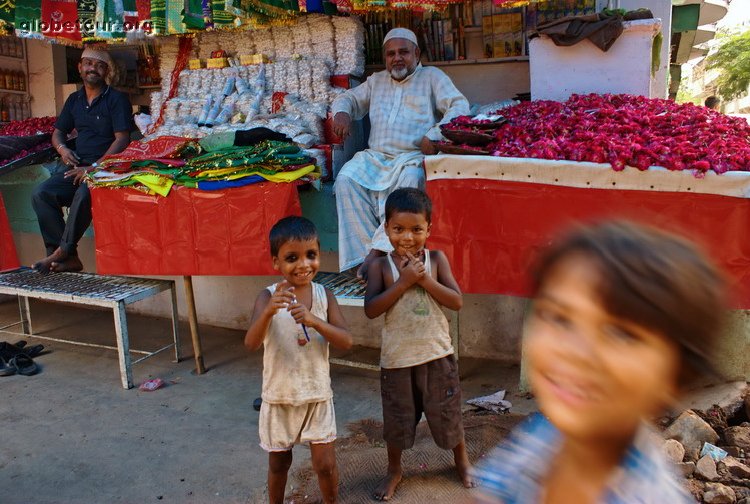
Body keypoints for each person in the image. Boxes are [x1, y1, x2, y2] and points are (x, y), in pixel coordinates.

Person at [472, 221, 726, 504]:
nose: (575, 352)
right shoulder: (542, 434)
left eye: (621, 334)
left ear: (676, 377)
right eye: (559, 318)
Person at [331, 28, 470, 279]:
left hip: (411, 157)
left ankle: (378, 254)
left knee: (411, 182)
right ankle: (363, 260)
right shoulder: (376, 80)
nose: (397, 58)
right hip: (376, 157)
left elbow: (459, 107)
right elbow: (349, 98)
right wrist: (342, 112)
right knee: (346, 179)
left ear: (416, 53)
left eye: (403, 52)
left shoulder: (432, 77)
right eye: (391, 53)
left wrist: (436, 134)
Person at [364, 188, 473, 501]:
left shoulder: (436, 260)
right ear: (386, 229)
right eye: (398, 229)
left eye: (416, 230)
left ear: (429, 230)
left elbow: (456, 302)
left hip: (437, 355)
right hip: (397, 361)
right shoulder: (380, 267)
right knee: (397, 421)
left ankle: (462, 462)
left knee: (448, 414)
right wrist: (402, 282)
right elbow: (372, 309)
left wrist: (424, 280)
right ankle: (394, 470)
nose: (407, 238)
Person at [244, 216, 353, 504]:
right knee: (279, 465)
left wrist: (316, 321)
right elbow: (251, 343)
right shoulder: (266, 297)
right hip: (279, 397)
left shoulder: (324, 295)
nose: (304, 265)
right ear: (275, 262)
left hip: (316, 395)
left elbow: (346, 341)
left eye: (311, 255)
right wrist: (268, 312)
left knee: (325, 465)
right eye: (292, 258)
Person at [31, 47, 132, 273]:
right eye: (88, 63)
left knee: (85, 192)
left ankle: (63, 251)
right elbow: (58, 132)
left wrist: (95, 167)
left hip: (107, 168)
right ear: (80, 67)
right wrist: (62, 149)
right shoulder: (74, 100)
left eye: (98, 65)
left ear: (106, 71)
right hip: (79, 167)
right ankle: (65, 257)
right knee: (42, 193)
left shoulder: (117, 99)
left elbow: (122, 139)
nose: (92, 69)